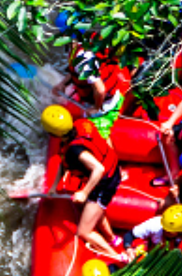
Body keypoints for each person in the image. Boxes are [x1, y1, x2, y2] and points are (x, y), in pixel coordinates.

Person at [45, 104, 127, 261]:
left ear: (53, 134)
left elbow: (98, 169)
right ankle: (112, 239)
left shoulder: (75, 150)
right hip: (112, 170)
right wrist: (54, 187)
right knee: (94, 210)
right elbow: (64, 163)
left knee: (84, 232)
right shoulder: (80, 124)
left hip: (104, 182)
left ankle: (118, 258)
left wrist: (84, 192)